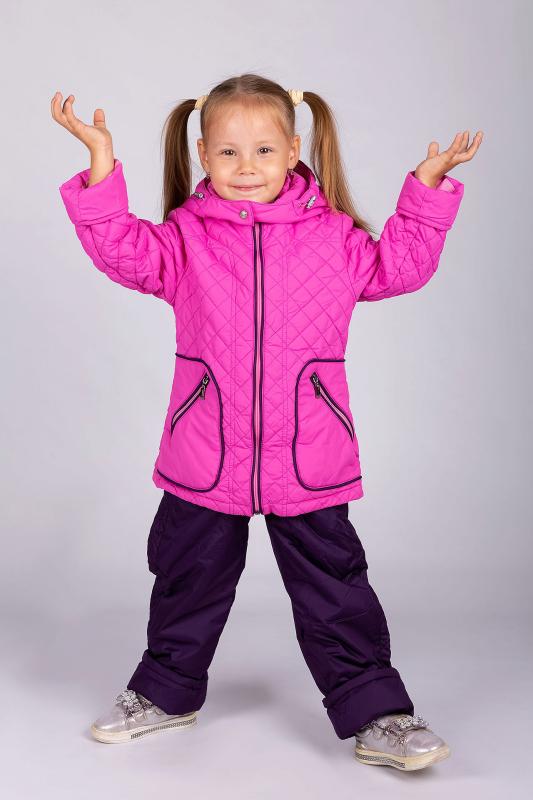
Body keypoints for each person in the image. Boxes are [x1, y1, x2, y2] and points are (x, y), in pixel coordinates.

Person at [52, 73, 482, 769]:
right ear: (202, 154)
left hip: (307, 451)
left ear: (293, 151)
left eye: (262, 151)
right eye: (227, 152)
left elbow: (398, 268)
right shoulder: (184, 238)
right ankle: (165, 693)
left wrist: (426, 190)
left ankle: (378, 713)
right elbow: (123, 252)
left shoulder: (333, 237)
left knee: (335, 587)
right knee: (186, 576)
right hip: (206, 452)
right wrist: (101, 163)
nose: (245, 167)